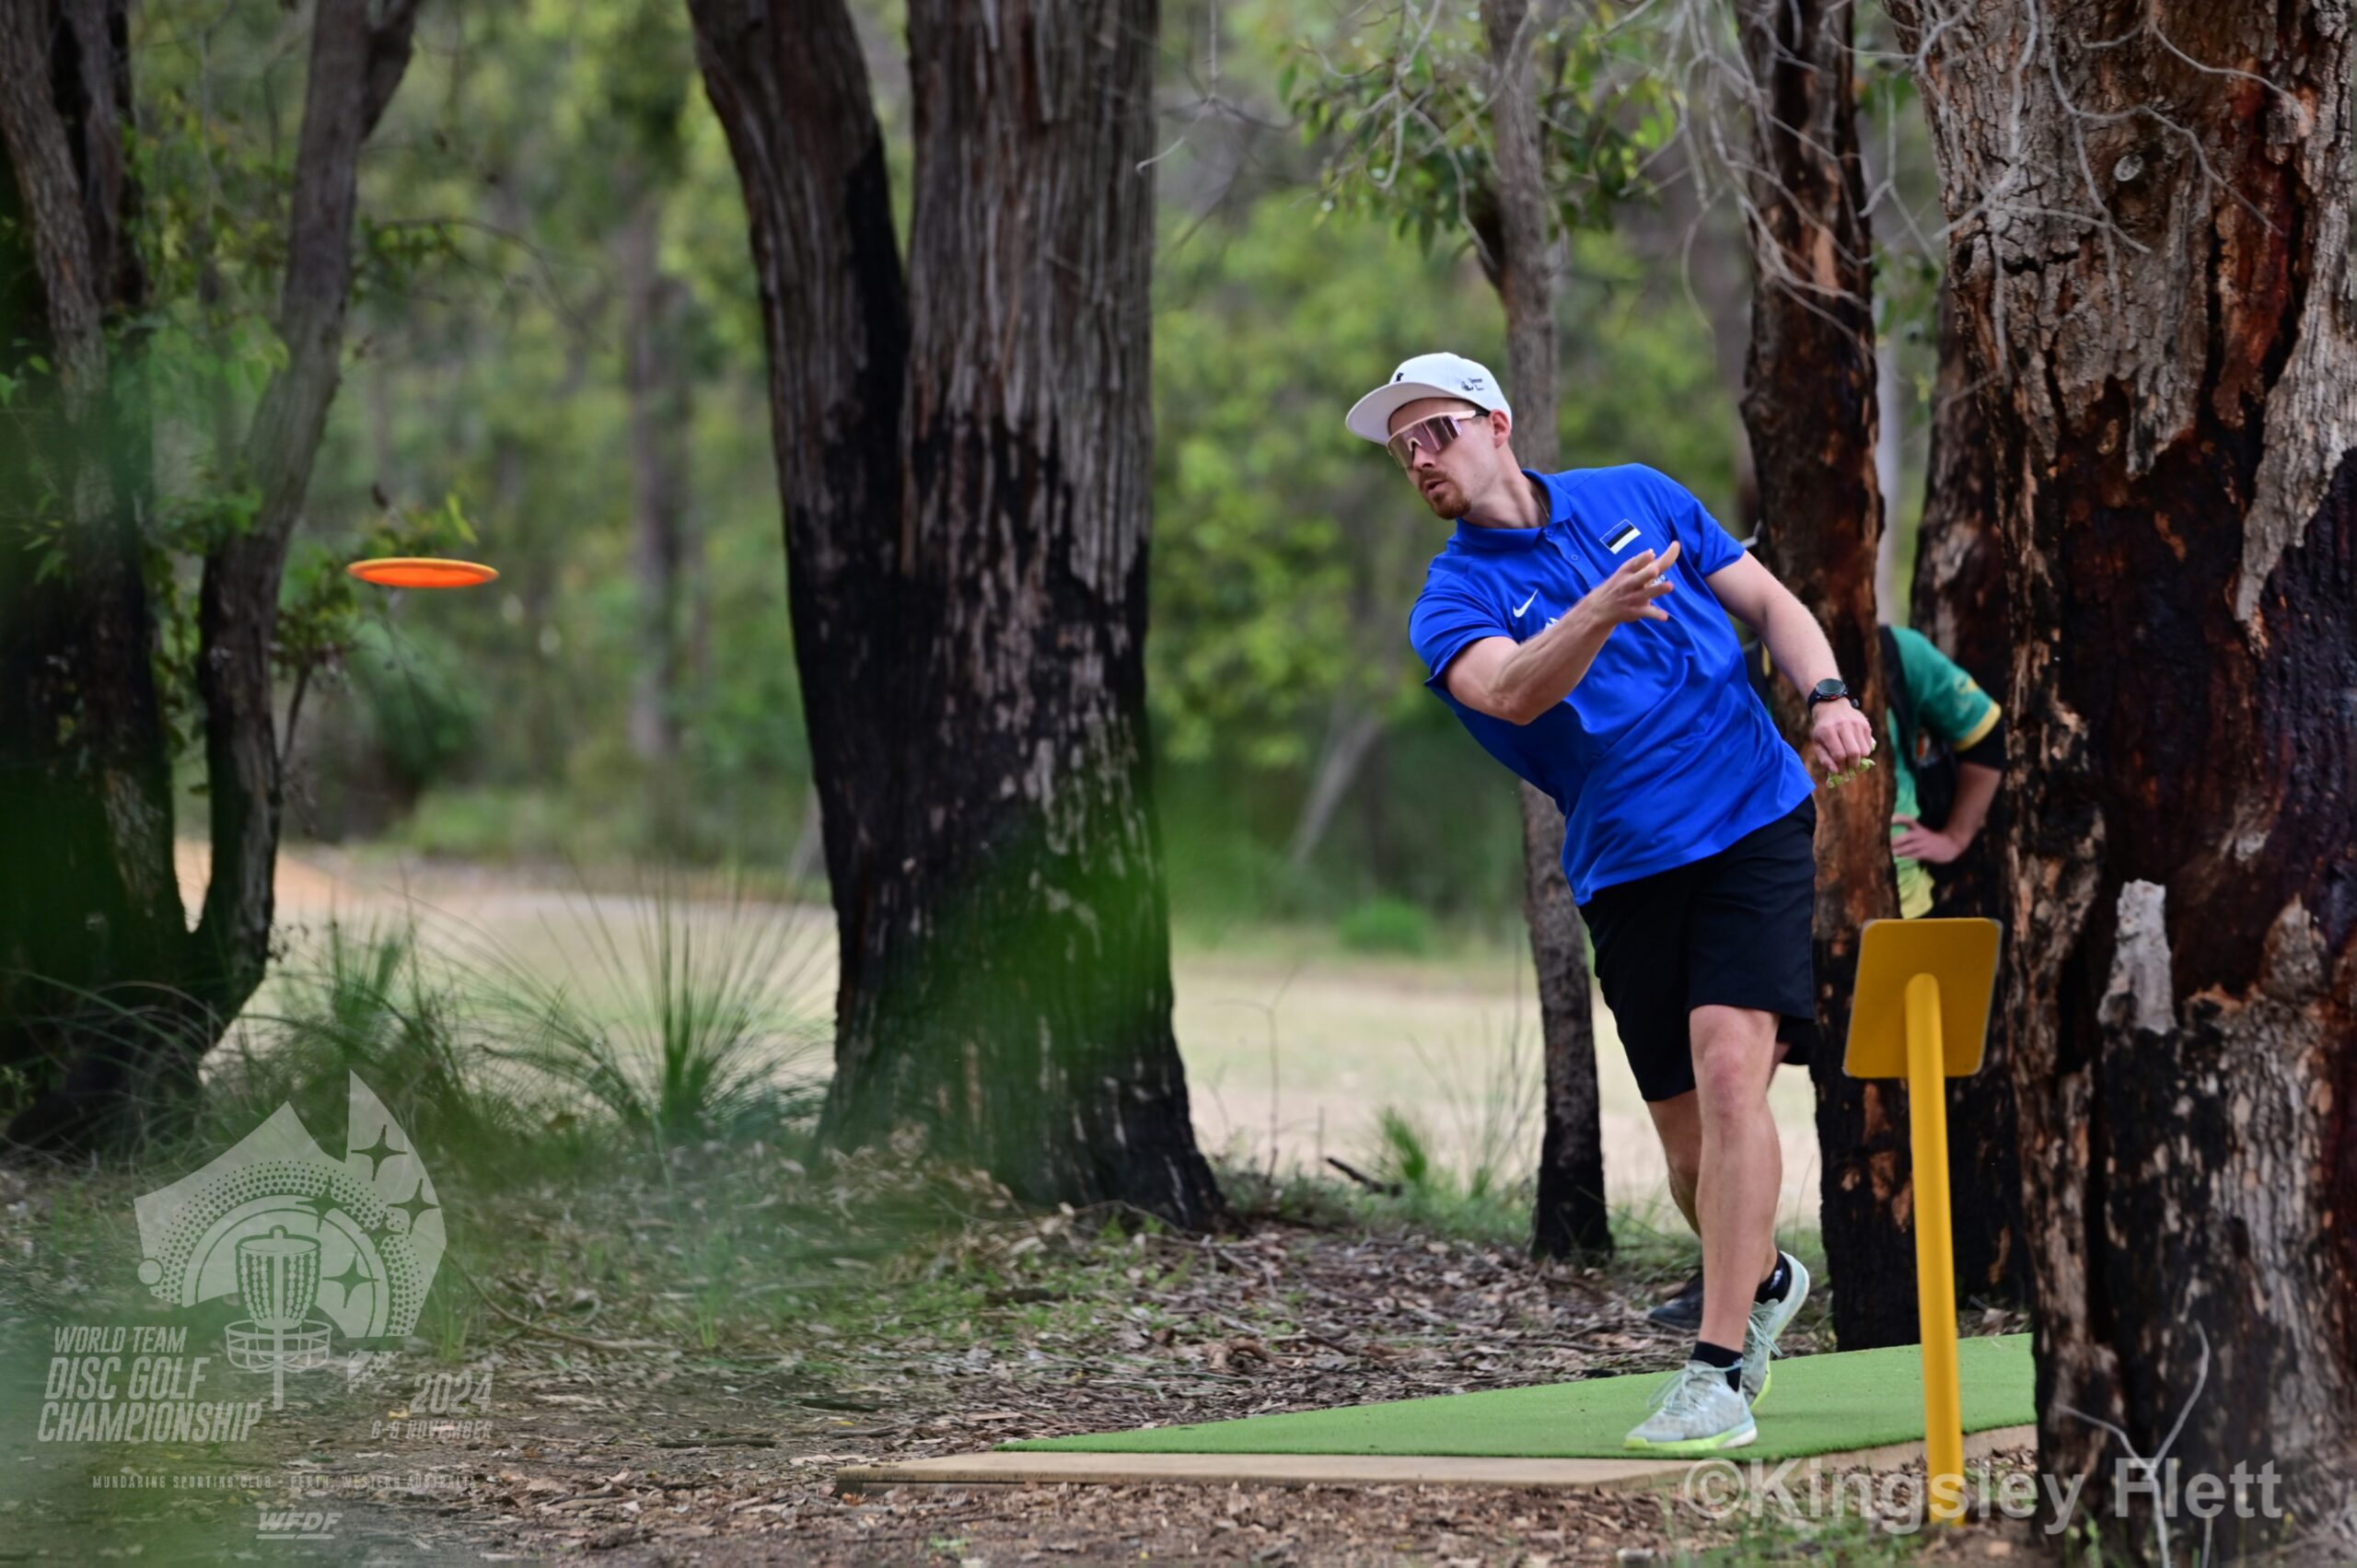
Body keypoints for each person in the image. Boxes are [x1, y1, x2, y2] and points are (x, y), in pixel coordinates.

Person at [1349, 352, 1876, 1454]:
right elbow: (1506, 687)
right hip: (1626, 862)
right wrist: (1593, 611)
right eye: (1401, 448)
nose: (1419, 457)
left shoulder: (1634, 493)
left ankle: (1717, 1370)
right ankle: (1766, 1273)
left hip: (1751, 814)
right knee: (1688, 1153)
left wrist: (1824, 694)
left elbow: (1769, 600)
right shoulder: (1450, 598)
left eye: (1434, 429)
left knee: (1736, 1072)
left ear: (1497, 422)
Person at [1645, 622, 2006, 1332]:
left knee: (1902, 1116)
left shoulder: (1898, 653)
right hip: (1761, 912)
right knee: (1719, 1107)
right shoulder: (1726, 658)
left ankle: (1940, 1288)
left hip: (1888, 915)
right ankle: (1740, 1277)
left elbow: (1986, 737)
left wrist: (1957, 836)